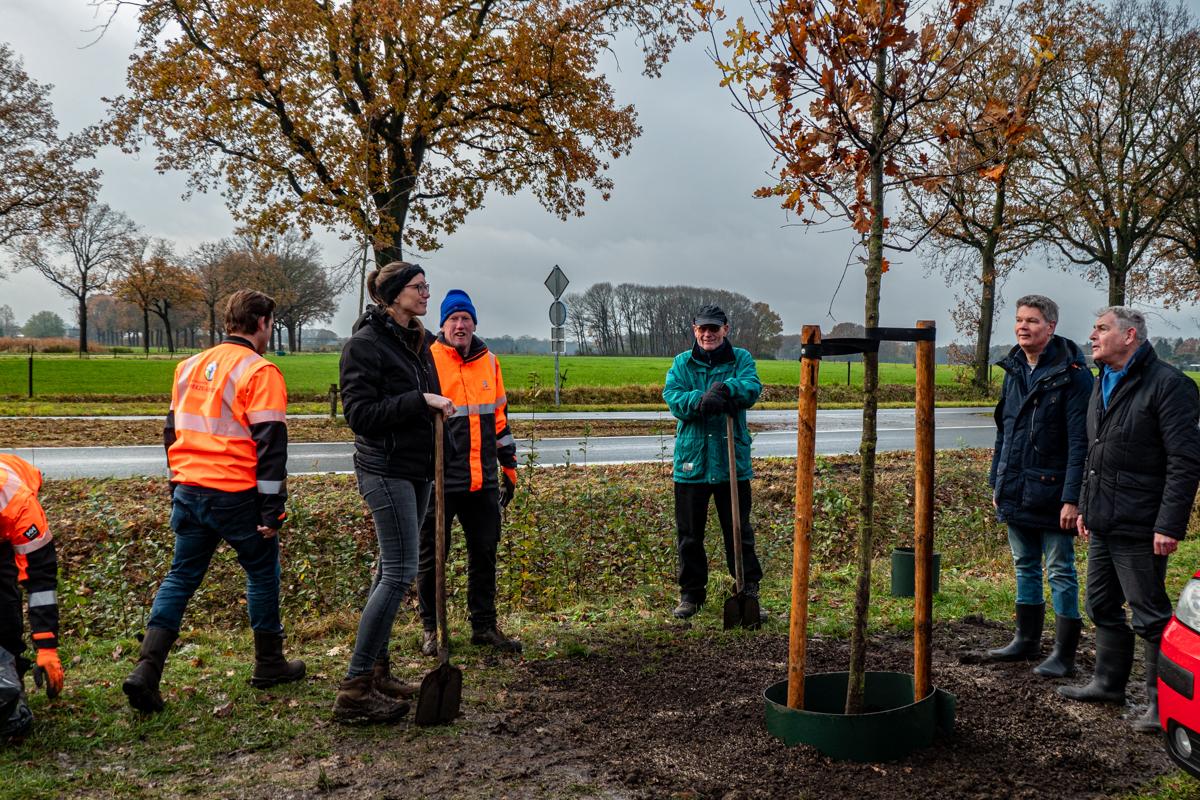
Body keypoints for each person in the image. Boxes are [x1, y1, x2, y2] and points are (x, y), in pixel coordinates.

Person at [123, 290, 305, 714]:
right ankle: (269, 662)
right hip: (236, 494)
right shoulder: (260, 371)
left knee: (180, 577)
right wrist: (272, 508)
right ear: (261, 322)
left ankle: (147, 669)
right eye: (271, 323)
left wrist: (176, 485)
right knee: (262, 572)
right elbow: (271, 446)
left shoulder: (188, 367)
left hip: (190, 489)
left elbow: (172, 432)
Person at [1059, 307, 1200, 733]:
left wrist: (1169, 524)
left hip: (1141, 523)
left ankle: (1162, 705)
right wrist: (1084, 504)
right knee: (1100, 604)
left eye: (1101, 328)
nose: (1093, 335)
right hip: (1103, 519)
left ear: (1130, 335)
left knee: (1150, 615)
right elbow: (1092, 453)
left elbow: (1185, 461)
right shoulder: (1102, 381)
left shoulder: (1169, 385)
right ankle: (1107, 683)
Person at [335, 261, 455, 724]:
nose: (426, 293)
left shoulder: (418, 341)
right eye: (418, 287)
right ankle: (354, 689)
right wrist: (418, 402)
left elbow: (425, 399)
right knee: (401, 571)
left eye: (427, 285)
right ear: (392, 295)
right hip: (384, 470)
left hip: (418, 467)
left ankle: (378, 670)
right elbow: (360, 416)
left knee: (390, 566)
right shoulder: (365, 346)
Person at [985, 295, 1093, 677]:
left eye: (1032, 320)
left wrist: (1071, 498)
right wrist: (997, 478)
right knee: (1024, 565)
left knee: (1060, 570)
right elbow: (1006, 431)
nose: (1022, 327)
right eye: (1019, 320)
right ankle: (1026, 640)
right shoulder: (1014, 369)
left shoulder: (1075, 375)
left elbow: (1081, 441)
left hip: (1053, 493)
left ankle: (1063, 654)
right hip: (1016, 487)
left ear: (1050, 326)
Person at [417, 289, 522, 657]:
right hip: (441, 480)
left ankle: (483, 626)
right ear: (442, 324)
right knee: (432, 557)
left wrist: (508, 467)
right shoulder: (426, 359)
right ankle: (432, 628)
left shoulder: (489, 362)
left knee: (484, 553)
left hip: (482, 479)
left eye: (466, 319)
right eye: (453, 319)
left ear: (474, 323)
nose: (459, 325)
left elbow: (500, 419)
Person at [662, 304, 763, 620]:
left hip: (731, 459)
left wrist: (725, 388)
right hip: (692, 463)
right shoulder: (682, 363)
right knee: (690, 534)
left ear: (725, 329)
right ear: (694, 330)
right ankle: (691, 595)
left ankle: (747, 590)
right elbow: (673, 397)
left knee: (738, 530)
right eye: (702, 329)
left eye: (714, 328)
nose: (708, 334)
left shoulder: (740, 360)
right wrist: (699, 400)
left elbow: (751, 387)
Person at [1, 454, 62, 737]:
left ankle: (11, 679)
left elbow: (41, 582)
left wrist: (47, 648)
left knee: (4, 604)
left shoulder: (20, 507)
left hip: (10, 514)